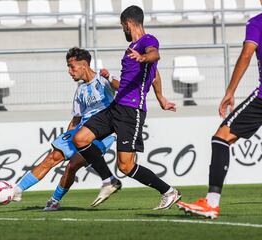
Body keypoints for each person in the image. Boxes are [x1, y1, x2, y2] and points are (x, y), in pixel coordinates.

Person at [72, 5, 181, 211]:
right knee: (81, 138)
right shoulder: (131, 48)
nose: (123, 30)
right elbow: (152, 75)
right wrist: (160, 97)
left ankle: (169, 191)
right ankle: (108, 180)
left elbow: (155, 56)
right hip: (116, 107)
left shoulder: (148, 41)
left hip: (132, 111)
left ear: (128, 23)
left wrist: (144, 59)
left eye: (123, 26)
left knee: (126, 166)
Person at [13, 47, 122, 211]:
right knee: (51, 158)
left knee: (73, 165)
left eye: (72, 67)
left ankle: (54, 200)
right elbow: (76, 118)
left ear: (84, 65)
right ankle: (16, 190)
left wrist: (110, 77)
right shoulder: (80, 90)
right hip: (80, 131)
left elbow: (122, 88)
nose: (69, 71)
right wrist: (68, 135)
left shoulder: (102, 80)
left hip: (102, 133)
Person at [177, 10, 262, 219]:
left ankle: (211, 203)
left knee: (221, 138)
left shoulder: (257, 22)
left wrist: (230, 91)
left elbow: (246, 53)